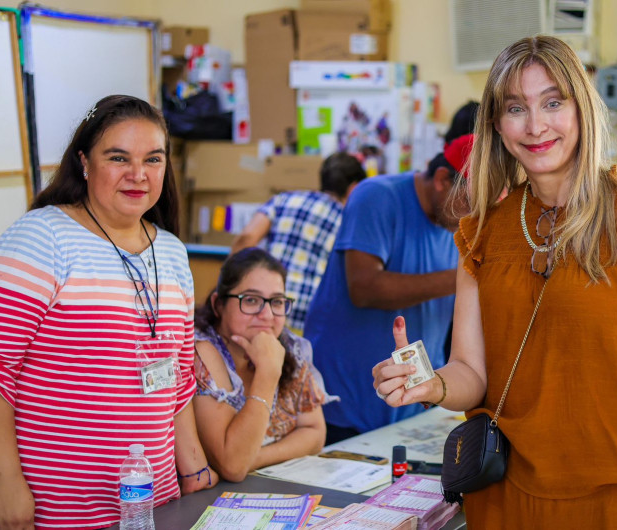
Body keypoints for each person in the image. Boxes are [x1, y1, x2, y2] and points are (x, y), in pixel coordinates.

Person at [373, 35, 617, 529]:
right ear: (497, 125)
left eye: (553, 102)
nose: (535, 125)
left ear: (582, 109)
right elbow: (472, 372)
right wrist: (432, 384)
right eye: (515, 108)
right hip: (505, 500)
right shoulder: (482, 234)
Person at [0, 95, 218, 530]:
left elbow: (180, 377)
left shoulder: (171, 251)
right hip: (52, 509)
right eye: (118, 157)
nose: (138, 175)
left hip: (151, 506)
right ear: (84, 162)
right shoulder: (42, 238)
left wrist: (194, 471)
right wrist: (5, 484)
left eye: (153, 159)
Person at [305, 140, 472, 444]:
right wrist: (465, 277)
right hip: (343, 403)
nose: (473, 213)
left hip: (413, 409)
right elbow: (364, 287)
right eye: (470, 201)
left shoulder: (461, 227)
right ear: (441, 181)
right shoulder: (377, 196)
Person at [193, 247, 327, 481]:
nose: (266, 315)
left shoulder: (288, 344)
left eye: (276, 302)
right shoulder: (203, 352)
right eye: (251, 300)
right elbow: (233, 466)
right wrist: (268, 372)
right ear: (218, 305)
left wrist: (252, 458)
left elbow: (315, 432)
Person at [231, 153, 367, 333]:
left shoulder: (284, 199)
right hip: (307, 321)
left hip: (265, 310)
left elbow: (246, 239)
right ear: (354, 188)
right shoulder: (348, 222)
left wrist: (234, 294)